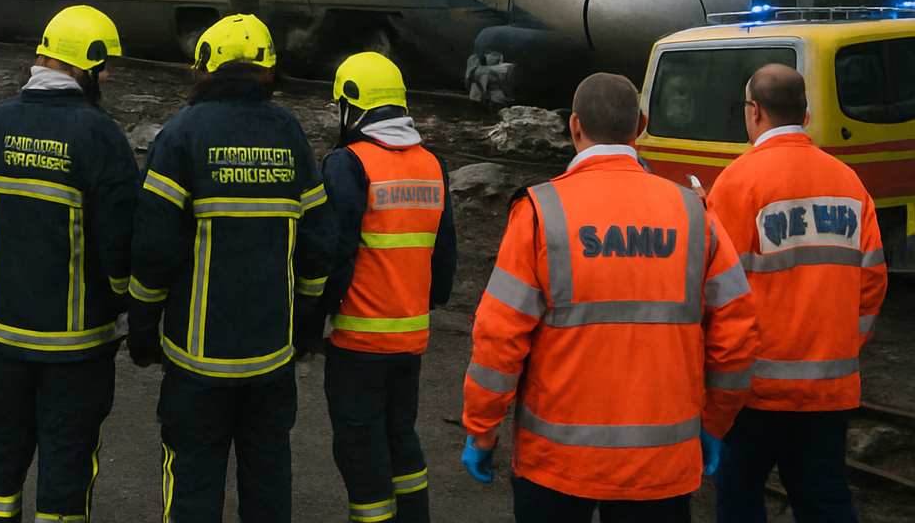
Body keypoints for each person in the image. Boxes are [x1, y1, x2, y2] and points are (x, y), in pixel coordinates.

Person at [461, 72, 759, 523]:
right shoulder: (695, 214)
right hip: (662, 462)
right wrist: (715, 422)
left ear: (574, 126)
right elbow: (737, 331)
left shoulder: (541, 213)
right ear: (640, 126)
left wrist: (482, 428)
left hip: (558, 463)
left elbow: (498, 337)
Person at [128, 13, 334, 523]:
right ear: (268, 70)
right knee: (268, 479)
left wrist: (143, 331)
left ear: (204, 68)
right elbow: (318, 243)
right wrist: (304, 322)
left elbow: (154, 249)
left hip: (197, 361)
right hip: (270, 358)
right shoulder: (289, 134)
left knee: (192, 481)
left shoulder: (181, 135)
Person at [0, 5, 139, 523]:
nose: (105, 78)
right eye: (103, 68)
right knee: (67, 461)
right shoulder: (100, 136)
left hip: (2, 337)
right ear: (85, 65)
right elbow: (120, 244)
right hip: (76, 349)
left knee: (1, 445)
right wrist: (124, 304)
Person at [707, 63, 887, 523]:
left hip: (754, 390)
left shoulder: (737, 182)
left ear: (755, 111)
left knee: (739, 495)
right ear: (805, 115)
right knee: (825, 499)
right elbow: (872, 280)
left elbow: (716, 289)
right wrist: (842, 345)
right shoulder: (849, 183)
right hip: (829, 389)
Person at [318, 52, 456, 523]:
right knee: (401, 438)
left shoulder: (348, 163)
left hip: (359, 341)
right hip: (410, 339)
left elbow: (335, 253)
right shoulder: (432, 164)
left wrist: (315, 315)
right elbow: (444, 256)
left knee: (360, 447)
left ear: (350, 107)